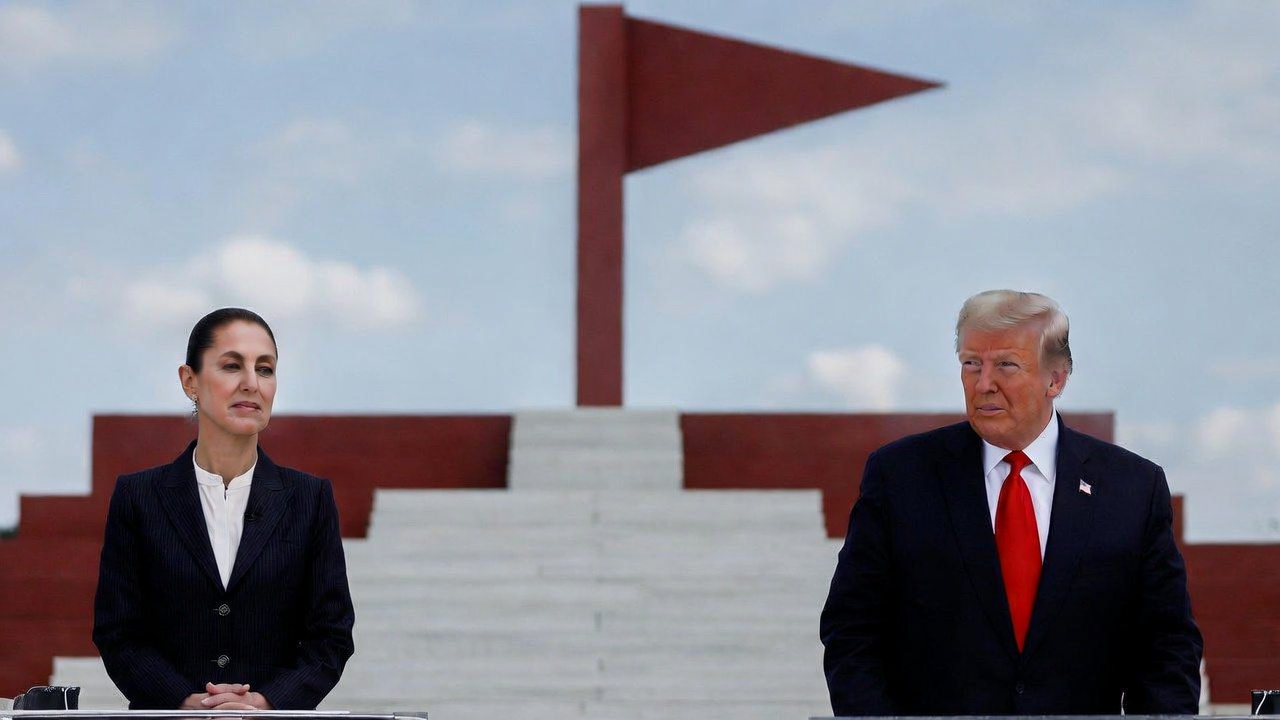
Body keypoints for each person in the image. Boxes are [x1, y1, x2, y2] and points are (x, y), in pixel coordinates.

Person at [820, 289, 1202, 716]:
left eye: (1006, 365)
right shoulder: (900, 476)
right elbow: (852, 630)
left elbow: (1167, 646)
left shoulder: (1131, 488)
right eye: (971, 363)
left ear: (1055, 380)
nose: (984, 383)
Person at [93, 308, 355, 710]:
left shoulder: (310, 498)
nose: (251, 383)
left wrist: (266, 704)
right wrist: (185, 702)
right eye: (232, 366)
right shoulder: (138, 497)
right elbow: (118, 632)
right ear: (190, 381)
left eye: (265, 369)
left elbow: (331, 636)